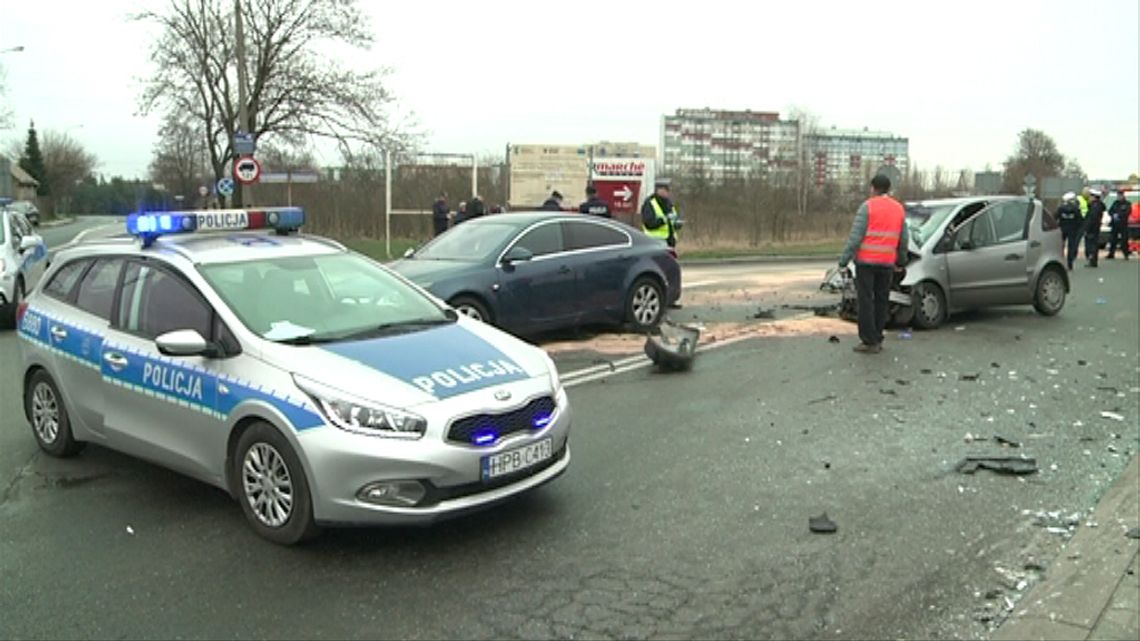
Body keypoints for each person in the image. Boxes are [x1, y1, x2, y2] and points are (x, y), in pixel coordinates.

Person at [838, 174, 909, 354]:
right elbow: (903, 239)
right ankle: (877, 337)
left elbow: (855, 238)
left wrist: (843, 261)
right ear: (888, 189)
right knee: (881, 301)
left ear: (873, 188)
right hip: (886, 263)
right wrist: (901, 261)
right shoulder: (898, 209)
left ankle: (868, 341)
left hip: (866, 262)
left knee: (866, 301)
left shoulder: (867, 207)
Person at [640, 179, 679, 248]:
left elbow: (672, 220)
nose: (668, 192)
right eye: (666, 189)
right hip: (655, 242)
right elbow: (649, 224)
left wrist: (676, 224)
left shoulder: (669, 203)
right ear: (659, 190)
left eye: (669, 189)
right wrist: (663, 220)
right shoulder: (650, 203)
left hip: (669, 241)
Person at [1057, 191, 1083, 270]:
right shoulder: (1076, 209)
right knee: (1071, 246)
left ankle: (1060, 261)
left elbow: (1055, 217)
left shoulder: (1061, 209)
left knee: (1061, 246)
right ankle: (1070, 263)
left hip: (1063, 229)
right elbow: (1080, 220)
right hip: (1072, 230)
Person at [1106, 189, 1132, 260]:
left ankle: (1126, 254)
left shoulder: (1127, 204)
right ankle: (1111, 254)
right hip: (1115, 224)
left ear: (1123, 196)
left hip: (1123, 224)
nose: (1119, 197)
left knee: (1124, 240)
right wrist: (1113, 215)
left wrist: (1119, 215)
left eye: (1120, 195)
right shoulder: (1115, 203)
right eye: (1118, 196)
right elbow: (1110, 211)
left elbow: (1128, 212)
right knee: (1113, 239)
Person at [1084, 189, 1106, 267]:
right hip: (1095, 227)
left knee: (1091, 245)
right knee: (1093, 244)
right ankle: (1093, 260)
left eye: (1090, 196)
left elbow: (1092, 219)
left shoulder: (1095, 207)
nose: (1089, 198)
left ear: (1094, 197)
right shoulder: (1096, 206)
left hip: (1092, 228)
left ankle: (1092, 260)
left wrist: (1087, 228)